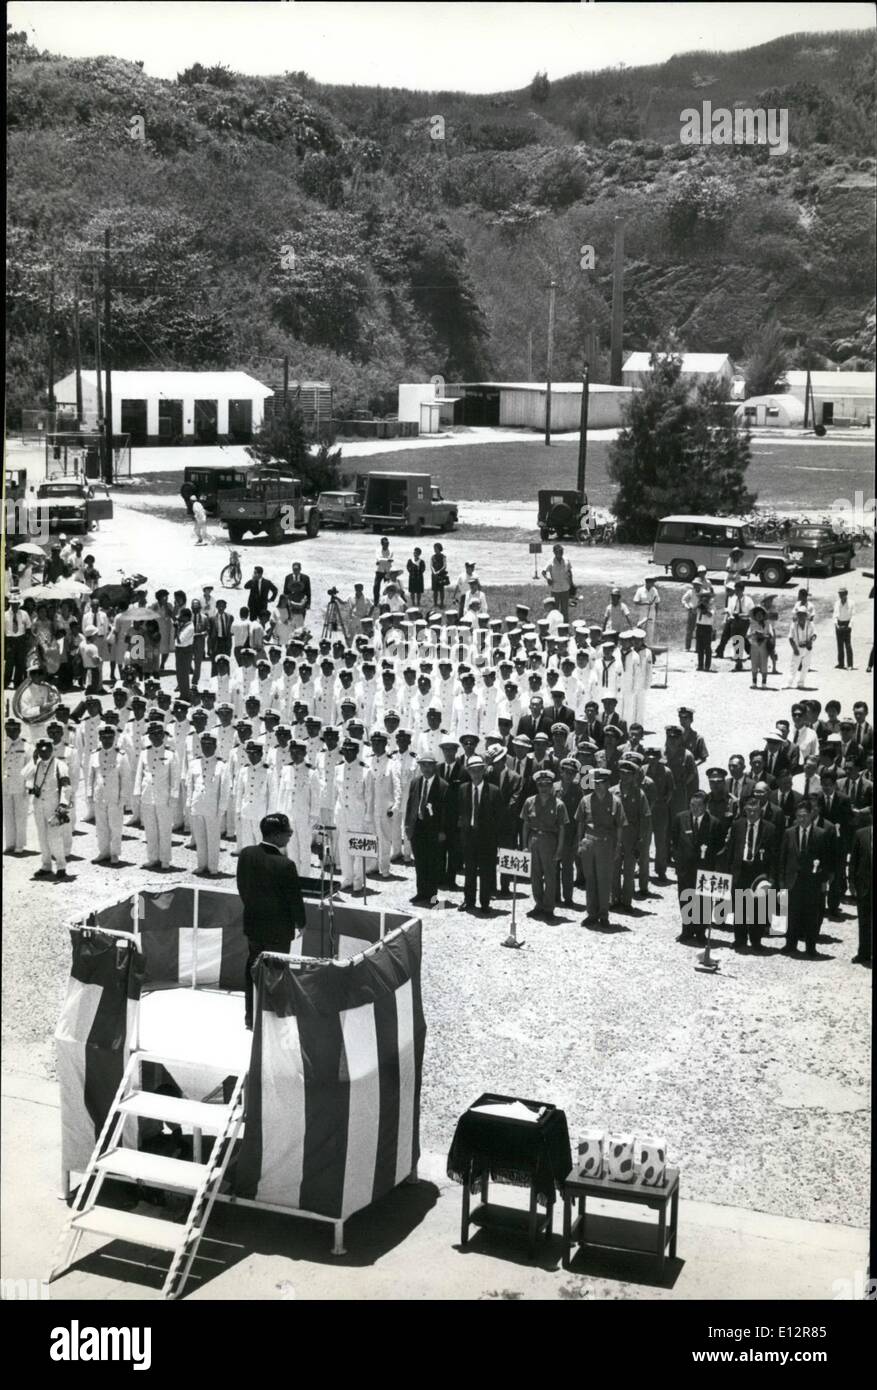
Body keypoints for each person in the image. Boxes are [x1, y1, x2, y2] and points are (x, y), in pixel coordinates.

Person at [237, 812, 306, 1029]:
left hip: (253, 925)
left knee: (253, 970)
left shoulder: (246, 854)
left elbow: (242, 886)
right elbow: (295, 900)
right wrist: (301, 923)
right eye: (288, 834)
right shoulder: (285, 865)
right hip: (278, 931)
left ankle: (251, 1017)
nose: (289, 838)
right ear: (276, 836)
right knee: (276, 973)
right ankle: (273, 1018)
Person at [778, 800, 833, 958]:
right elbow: (783, 858)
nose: (801, 819)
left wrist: (823, 880)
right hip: (793, 880)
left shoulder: (821, 834)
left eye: (804, 816)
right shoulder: (789, 833)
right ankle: (790, 944)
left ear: (811, 815)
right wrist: (782, 881)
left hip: (812, 882)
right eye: (798, 816)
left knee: (811, 915)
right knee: (792, 914)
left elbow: (826, 859)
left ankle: (810, 947)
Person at [728, 794, 777, 951]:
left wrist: (770, 878)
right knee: (740, 907)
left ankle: (756, 941)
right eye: (749, 810)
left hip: (759, 873)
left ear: (760, 811)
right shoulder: (737, 825)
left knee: (758, 908)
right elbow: (731, 849)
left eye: (755, 810)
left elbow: (773, 854)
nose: (752, 813)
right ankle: (740, 940)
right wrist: (730, 872)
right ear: (744, 810)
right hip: (741, 870)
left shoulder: (770, 828)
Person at [520, 767, 569, 920]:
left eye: (547, 784)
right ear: (537, 786)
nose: (544, 788)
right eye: (541, 784)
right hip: (534, 839)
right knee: (535, 875)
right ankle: (538, 904)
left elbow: (562, 828)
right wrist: (525, 846)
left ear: (552, 785)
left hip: (550, 841)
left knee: (550, 876)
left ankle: (549, 908)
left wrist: (560, 849)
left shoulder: (559, 804)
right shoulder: (529, 802)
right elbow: (526, 825)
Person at [457, 754, 501, 912]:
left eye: (478, 770)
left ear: (483, 771)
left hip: (486, 839)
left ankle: (484, 902)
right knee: (469, 871)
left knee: (486, 871)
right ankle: (468, 901)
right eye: (472, 770)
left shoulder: (494, 791)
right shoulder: (463, 789)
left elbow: (499, 817)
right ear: (468, 772)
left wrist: (496, 840)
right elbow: (460, 813)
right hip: (468, 837)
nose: (475, 773)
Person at [575, 768, 619, 927]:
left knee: (604, 880)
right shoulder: (585, 800)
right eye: (595, 783)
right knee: (590, 879)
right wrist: (579, 843)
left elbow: (619, 826)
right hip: (588, 842)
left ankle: (604, 914)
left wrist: (618, 847)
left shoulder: (615, 801)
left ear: (608, 784)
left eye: (601, 783)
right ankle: (591, 913)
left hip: (606, 843)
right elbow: (580, 822)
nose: (598, 786)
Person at [405, 751, 449, 907]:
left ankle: (432, 896)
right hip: (417, 827)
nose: (426, 768)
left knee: (432, 863)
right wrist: (407, 825)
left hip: (433, 829)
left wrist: (442, 831)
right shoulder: (415, 782)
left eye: (429, 765)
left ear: (434, 766)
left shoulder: (443, 785)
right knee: (420, 862)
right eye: (423, 764)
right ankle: (421, 892)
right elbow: (410, 805)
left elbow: (445, 811)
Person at [26, 737, 72, 880]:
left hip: (53, 806)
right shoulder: (37, 764)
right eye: (40, 750)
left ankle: (61, 866)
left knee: (54, 838)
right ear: (37, 750)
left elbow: (66, 786)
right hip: (39, 805)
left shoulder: (60, 765)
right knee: (42, 837)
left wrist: (63, 804)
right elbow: (25, 778)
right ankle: (46, 865)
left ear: (52, 749)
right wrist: (32, 761)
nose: (43, 753)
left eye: (46, 749)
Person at [134, 721, 178, 870]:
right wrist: (137, 794)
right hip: (147, 797)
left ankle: (165, 859)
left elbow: (175, 779)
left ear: (163, 735)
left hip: (163, 798)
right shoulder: (144, 753)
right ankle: (153, 858)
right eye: (152, 734)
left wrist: (173, 798)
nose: (155, 737)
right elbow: (139, 775)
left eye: (158, 734)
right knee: (150, 830)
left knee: (164, 830)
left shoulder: (171, 754)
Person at [87, 723, 133, 866]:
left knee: (115, 826)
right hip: (99, 796)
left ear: (114, 738)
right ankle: (103, 852)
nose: (107, 740)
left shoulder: (121, 755)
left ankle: (114, 853)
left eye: (110, 737)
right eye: (104, 737)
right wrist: (89, 794)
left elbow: (126, 778)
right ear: (100, 737)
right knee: (101, 826)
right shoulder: (95, 755)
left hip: (115, 797)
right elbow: (91, 777)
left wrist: (123, 798)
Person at [187, 730, 230, 876]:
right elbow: (190, 786)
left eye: (210, 744)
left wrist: (221, 809)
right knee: (200, 838)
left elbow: (224, 790)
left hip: (213, 808)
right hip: (197, 805)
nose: (206, 747)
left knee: (213, 838)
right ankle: (201, 865)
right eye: (204, 744)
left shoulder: (221, 765)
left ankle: (213, 867)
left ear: (215, 745)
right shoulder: (194, 764)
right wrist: (189, 804)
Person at [3, 716, 30, 854]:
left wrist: (28, 786)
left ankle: (19, 844)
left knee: (20, 816)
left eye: (14, 728)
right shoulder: (3, 745)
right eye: (8, 728)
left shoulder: (26, 746)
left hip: (20, 785)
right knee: (7, 816)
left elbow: (30, 767)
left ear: (20, 729)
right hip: (6, 785)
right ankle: (9, 843)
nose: (11, 731)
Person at [848, 824, 872, 965]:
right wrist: (851, 882)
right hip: (864, 886)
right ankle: (864, 953)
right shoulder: (860, 834)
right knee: (864, 921)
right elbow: (853, 861)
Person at [4, 592, 32, 689]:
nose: (15, 605)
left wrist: (26, 638)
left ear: (19, 604)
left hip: (21, 639)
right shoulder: (5, 615)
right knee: (9, 663)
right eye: (13, 604)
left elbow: (28, 627)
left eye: (16, 604)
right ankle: (6, 682)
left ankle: (17, 683)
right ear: (10, 604)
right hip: (10, 640)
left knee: (20, 662)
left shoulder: (24, 614)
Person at [787, 603, 816, 689]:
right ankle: (789, 683)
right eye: (799, 614)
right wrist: (795, 649)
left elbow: (814, 635)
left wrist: (810, 641)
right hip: (798, 647)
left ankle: (801, 683)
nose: (801, 616)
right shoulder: (794, 625)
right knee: (794, 666)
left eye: (803, 614)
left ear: (806, 615)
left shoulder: (810, 624)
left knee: (806, 666)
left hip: (807, 648)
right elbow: (790, 638)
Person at [542, 544, 575, 620]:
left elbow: (570, 572)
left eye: (562, 551)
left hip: (565, 588)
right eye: (559, 551)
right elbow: (543, 572)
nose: (561, 552)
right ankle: (556, 627)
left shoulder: (566, 560)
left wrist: (572, 584)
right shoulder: (550, 562)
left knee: (565, 610)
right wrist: (548, 579)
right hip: (555, 590)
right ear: (554, 552)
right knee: (555, 610)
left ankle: (565, 627)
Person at [633, 576, 660, 645]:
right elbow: (635, 601)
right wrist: (644, 603)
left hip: (651, 612)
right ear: (648, 582)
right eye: (652, 582)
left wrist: (656, 614)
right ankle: (640, 646)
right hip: (643, 612)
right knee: (641, 630)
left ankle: (650, 646)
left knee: (650, 631)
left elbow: (657, 602)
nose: (653, 584)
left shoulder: (654, 590)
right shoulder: (640, 590)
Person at [747, 604, 770, 688]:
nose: (759, 616)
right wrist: (754, 633)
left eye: (761, 614)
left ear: (763, 615)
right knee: (754, 664)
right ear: (755, 615)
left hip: (764, 646)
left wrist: (763, 635)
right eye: (757, 614)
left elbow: (770, 635)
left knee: (764, 664)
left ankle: (764, 683)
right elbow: (747, 636)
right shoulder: (752, 625)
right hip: (754, 646)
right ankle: (754, 682)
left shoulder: (767, 624)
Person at [833, 588, 853, 669]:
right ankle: (841, 663)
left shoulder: (851, 603)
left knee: (848, 645)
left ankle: (850, 664)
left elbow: (853, 615)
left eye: (842, 593)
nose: (840, 595)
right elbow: (835, 614)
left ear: (846, 593)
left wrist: (849, 625)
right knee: (839, 645)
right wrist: (836, 624)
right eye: (839, 594)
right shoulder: (837, 603)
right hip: (839, 624)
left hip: (847, 624)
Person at [374, 538, 393, 608]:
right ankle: (376, 602)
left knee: (388, 587)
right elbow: (378, 559)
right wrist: (386, 560)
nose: (387, 545)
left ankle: (387, 602)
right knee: (376, 587)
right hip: (379, 571)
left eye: (388, 544)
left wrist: (380, 561)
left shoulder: (391, 550)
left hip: (387, 571)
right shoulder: (378, 550)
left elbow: (390, 559)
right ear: (382, 544)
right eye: (385, 544)